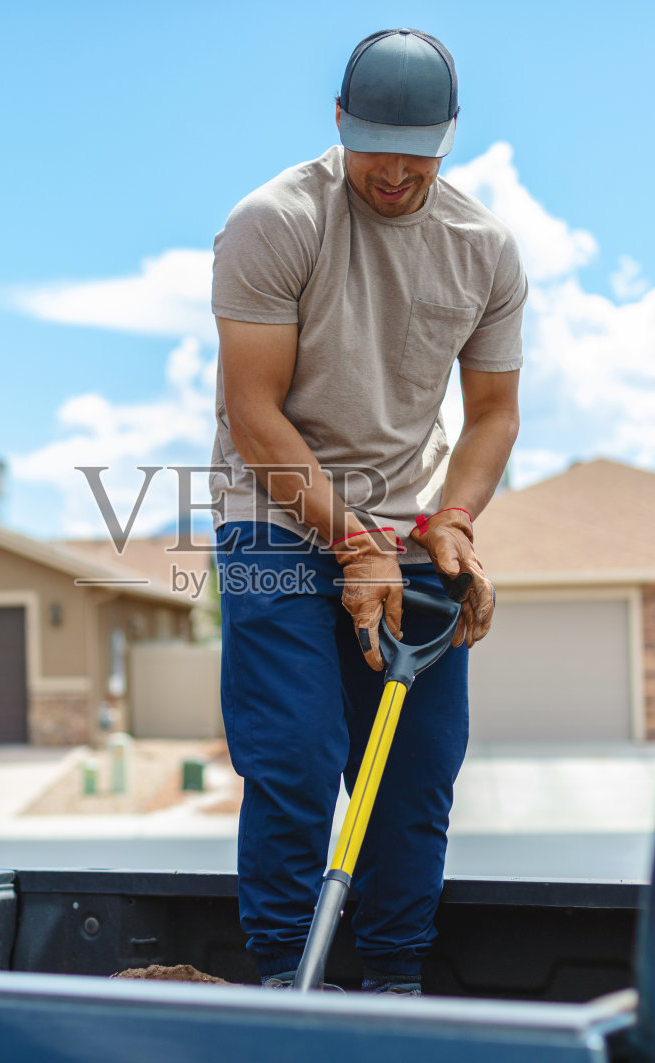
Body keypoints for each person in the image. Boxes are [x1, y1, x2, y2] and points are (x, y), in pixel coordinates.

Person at [209, 28, 526, 994]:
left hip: (410, 526)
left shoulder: (483, 249)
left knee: (416, 778)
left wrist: (454, 525)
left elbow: (494, 416)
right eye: (376, 143)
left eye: (418, 148)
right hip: (275, 513)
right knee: (299, 759)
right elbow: (252, 410)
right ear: (340, 122)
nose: (395, 170)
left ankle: (392, 983)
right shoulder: (276, 220)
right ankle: (280, 978)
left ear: (450, 136)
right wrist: (350, 540)